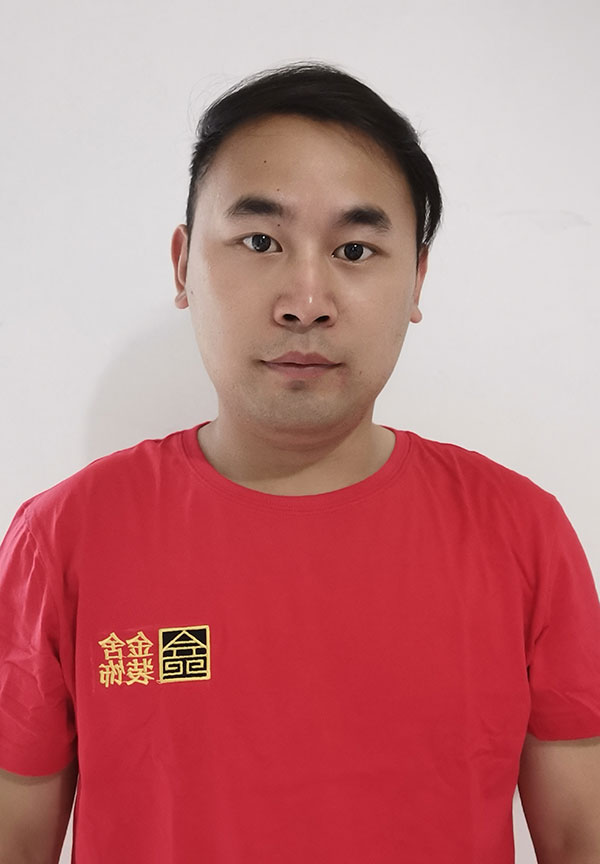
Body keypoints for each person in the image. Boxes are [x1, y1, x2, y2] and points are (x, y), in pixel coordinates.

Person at [1, 61, 599, 864]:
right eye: (260, 241)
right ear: (183, 263)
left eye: (355, 248)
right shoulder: (61, 538)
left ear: (417, 279)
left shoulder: (523, 535)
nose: (306, 301)